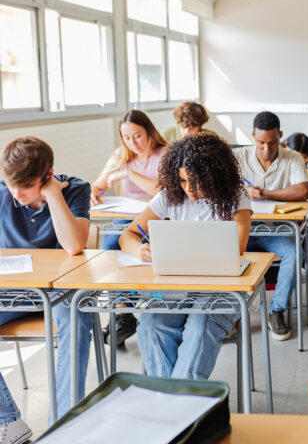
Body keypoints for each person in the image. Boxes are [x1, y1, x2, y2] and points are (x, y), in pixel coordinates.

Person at [119, 133, 252, 379]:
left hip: (222, 288)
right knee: (151, 325)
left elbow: (239, 245)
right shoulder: (170, 196)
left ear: (214, 176)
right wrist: (139, 248)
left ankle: (178, 404)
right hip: (176, 287)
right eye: (181, 180)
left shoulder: (235, 196)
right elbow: (128, 235)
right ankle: (175, 403)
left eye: (196, 181)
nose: (188, 189)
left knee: (200, 327)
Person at [0, 137, 96, 442]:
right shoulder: (5, 191)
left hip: (60, 291)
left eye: (25, 188)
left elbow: (74, 244)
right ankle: (9, 421)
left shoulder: (75, 189)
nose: (16, 194)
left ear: (48, 175)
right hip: (12, 291)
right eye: (11, 185)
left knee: (77, 319)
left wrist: (54, 196)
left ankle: (65, 423)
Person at [91, 110, 167, 345]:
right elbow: (99, 184)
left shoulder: (164, 154)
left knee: (125, 243)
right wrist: (94, 192)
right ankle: (122, 313)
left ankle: (126, 313)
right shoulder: (120, 155)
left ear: (149, 132)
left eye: (137, 136)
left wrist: (129, 174)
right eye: (126, 138)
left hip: (158, 218)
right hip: (127, 217)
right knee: (109, 244)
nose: (132, 143)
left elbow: (162, 192)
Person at [233, 111, 308, 341]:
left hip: (275, 231)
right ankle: (231, 313)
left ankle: (276, 310)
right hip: (241, 230)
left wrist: (265, 194)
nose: (266, 149)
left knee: (293, 251)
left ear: (281, 136)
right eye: (260, 143)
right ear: (252, 136)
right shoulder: (238, 157)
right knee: (221, 250)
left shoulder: (292, 158)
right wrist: (247, 191)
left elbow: (304, 190)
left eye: (272, 142)